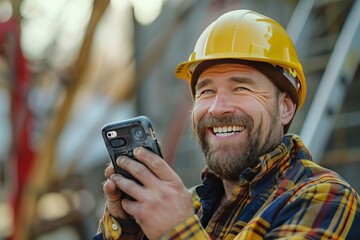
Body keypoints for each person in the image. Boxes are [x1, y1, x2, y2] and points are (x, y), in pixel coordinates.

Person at [93, 9, 360, 240]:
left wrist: (176, 230)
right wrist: (127, 228)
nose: (218, 108)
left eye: (241, 87)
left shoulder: (326, 197)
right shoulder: (192, 206)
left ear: (285, 107)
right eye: (205, 91)